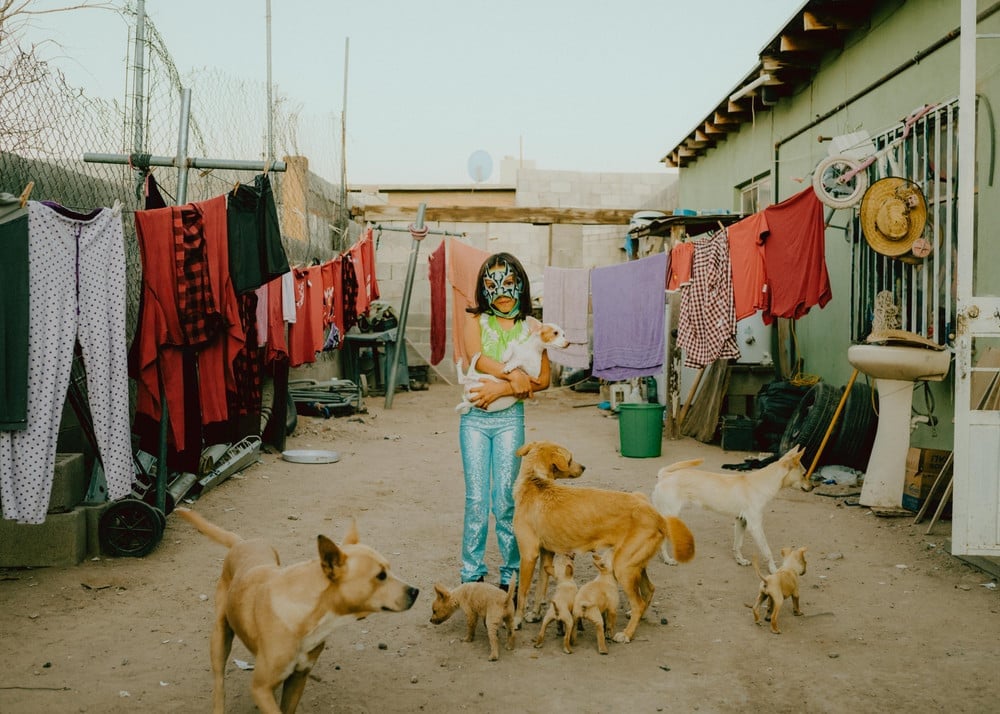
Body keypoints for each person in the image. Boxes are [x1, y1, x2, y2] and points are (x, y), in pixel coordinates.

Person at [458, 252, 551, 589]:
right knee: (477, 499)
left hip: (511, 419)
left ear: (520, 284)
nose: (501, 288)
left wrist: (499, 390)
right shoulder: (475, 321)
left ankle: (511, 575)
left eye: (509, 281)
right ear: (483, 288)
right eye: (492, 281)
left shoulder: (533, 328)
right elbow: (477, 358)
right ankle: (471, 573)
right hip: (474, 422)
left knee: (506, 500)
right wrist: (514, 379)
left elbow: (543, 379)